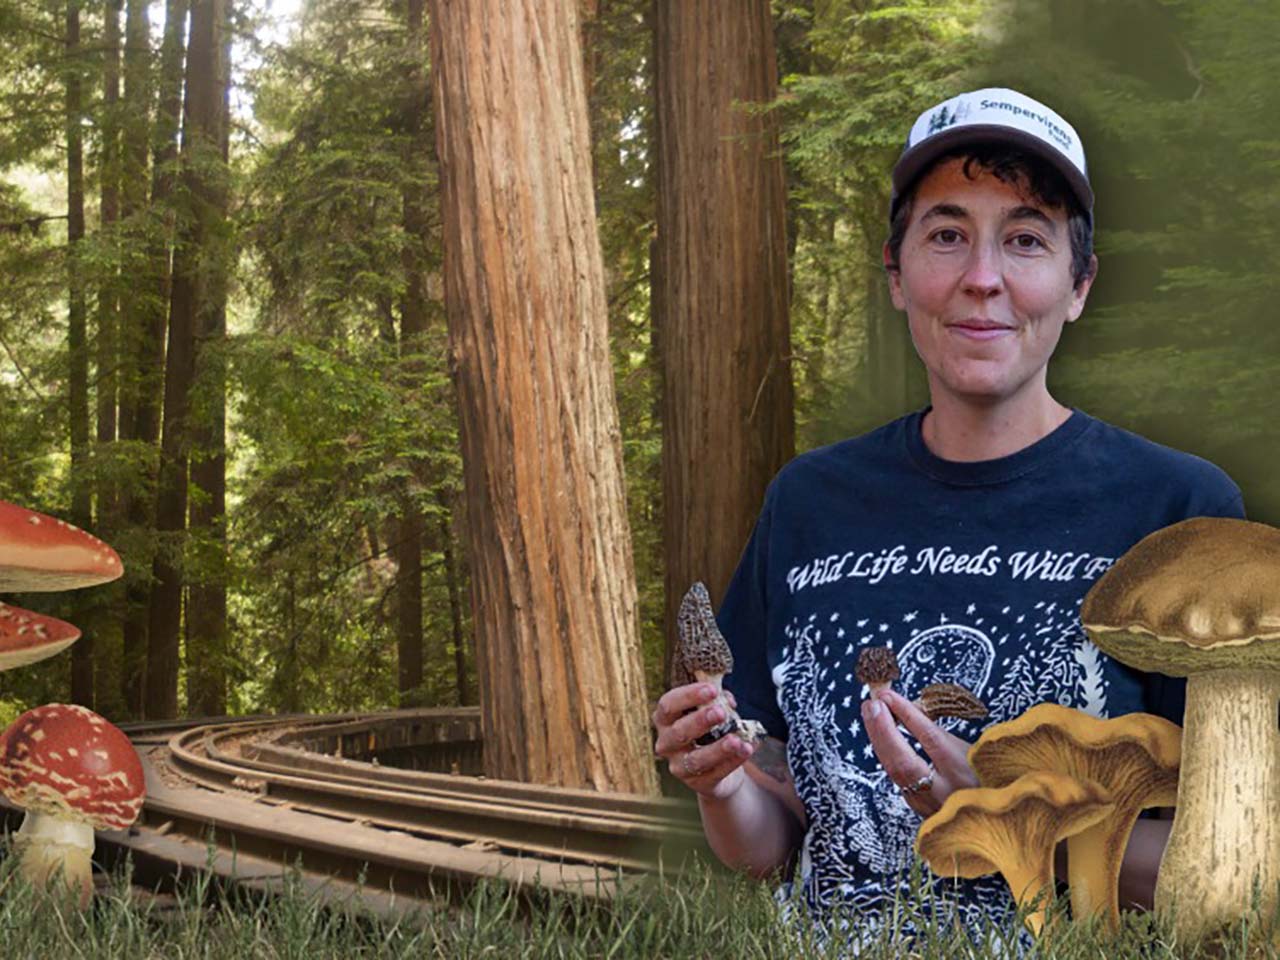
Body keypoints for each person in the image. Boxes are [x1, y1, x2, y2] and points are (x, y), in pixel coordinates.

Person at [650, 88, 1246, 937]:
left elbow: (1240, 861)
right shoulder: (810, 503)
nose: (982, 278)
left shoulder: (1181, 512)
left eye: (1027, 239)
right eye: (946, 234)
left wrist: (1019, 820)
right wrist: (723, 783)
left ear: (1079, 286)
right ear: (897, 276)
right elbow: (773, 842)